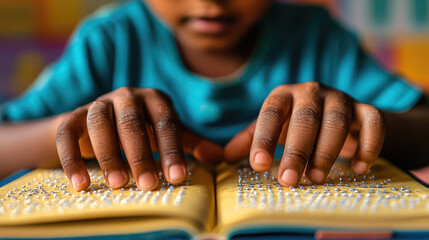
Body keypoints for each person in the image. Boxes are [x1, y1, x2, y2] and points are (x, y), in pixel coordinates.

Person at [0, 0, 428, 192]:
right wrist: (71, 131)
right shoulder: (108, 40)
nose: (210, 1)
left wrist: (365, 124)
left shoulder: (318, 37)